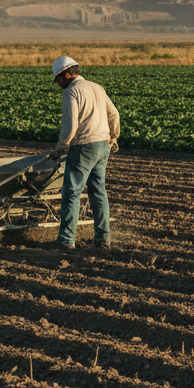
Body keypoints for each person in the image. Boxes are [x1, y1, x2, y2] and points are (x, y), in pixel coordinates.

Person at [49, 55, 120, 251]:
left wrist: (61, 147)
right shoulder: (97, 87)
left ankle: (66, 240)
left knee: (71, 192)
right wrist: (113, 137)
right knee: (98, 191)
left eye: (58, 80)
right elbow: (114, 114)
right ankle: (103, 238)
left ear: (66, 74)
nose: (58, 84)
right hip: (103, 145)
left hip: (83, 146)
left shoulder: (72, 92)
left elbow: (70, 125)